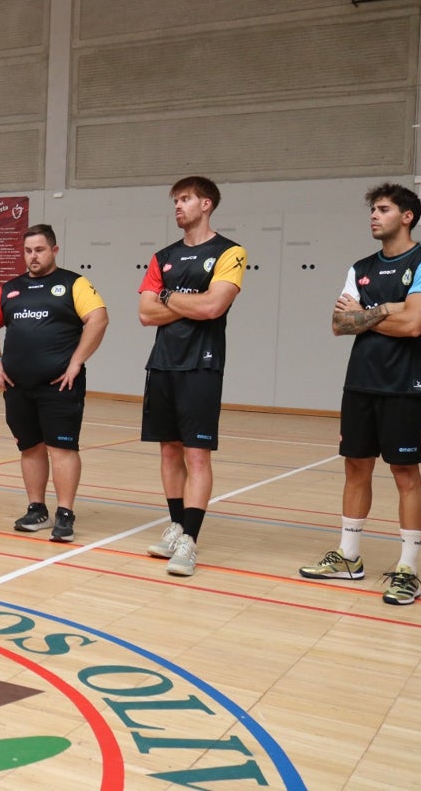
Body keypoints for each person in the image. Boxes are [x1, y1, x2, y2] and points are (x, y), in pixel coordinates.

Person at [300, 183, 421, 605]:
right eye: (373, 209)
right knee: (356, 467)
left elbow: (415, 325)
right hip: (360, 382)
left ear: (407, 216)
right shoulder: (360, 267)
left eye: (384, 209)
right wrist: (390, 307)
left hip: (404, 384)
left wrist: (366, 314)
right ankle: (350, 558)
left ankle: (407, 568)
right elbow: (339, 325)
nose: (374, 216)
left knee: (404, 473)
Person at [138, 176, 246, 576]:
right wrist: (188, 301)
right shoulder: (162, 256)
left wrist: (168, 296)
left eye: (185, 199)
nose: (178, 207)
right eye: (175, 201)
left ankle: (190, 541)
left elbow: (214, 307)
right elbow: (146, 314)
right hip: (162, 364)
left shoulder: (230, 252)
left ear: (207, 204)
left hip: (201, 364)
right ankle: (176, 526)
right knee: (168, 451)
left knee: (196, 454)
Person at [0, 224, 108, 542]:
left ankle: (65, 514)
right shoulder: (10, 289)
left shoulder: (73, 283)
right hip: (17, 387)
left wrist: (76, 361)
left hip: (59, 385)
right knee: (30, 447)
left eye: (39, 249)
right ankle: (37, 509)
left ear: (54, 250)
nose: (33, 256)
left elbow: (98, 318)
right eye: (27, 251)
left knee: (62, 447)